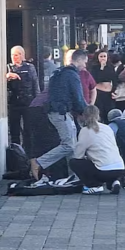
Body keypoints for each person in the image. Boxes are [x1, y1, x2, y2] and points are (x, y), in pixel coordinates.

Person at [32, 50, 88, 181]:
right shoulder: (72, 75)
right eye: (84, 62)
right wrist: (87, 112)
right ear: (78, 60)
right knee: (69, 145)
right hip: (61, 112)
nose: (85, 65)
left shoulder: (59, 72)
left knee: (72, 145)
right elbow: (78, 97)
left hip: (57, 111)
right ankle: (39, 162)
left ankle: (75, 176)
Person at [66, 106, 125, 195]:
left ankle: (94, 185)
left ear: (84, 116)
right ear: (98, 115)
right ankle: (114, 181)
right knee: (105, 161)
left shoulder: (85, 130)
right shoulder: (107, 128)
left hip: (103, 171)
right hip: (120, 168)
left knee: (74, 162)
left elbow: (78, 155)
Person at [6, 46, 40, 154]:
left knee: (28, 130)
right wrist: (7, 76)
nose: (14, 57)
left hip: (28, 102)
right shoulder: (8, 68)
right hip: (14, 103)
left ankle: (29, 153)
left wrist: (37, 102)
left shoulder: (30, 67)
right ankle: (16, 152)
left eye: (17, 54)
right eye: (12, 55)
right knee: (14, 130)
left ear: (22, 55)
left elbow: (36, 85)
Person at [89, 50, 119, 123]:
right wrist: (101, 68)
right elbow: (95, 79)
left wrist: (114, 91)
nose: (103, 58)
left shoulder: (110, 67)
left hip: (109, 93)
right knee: (100, 112)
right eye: (101, 56)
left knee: (109, 112)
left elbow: (114, 79)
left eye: (104, 56)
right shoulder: (94, 68)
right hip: (99, 92)